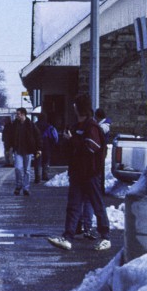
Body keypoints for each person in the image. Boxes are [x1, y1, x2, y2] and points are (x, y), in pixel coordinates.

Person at [48, 94, 110, 251]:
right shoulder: (77, 127)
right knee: (73, 206)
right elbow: (72, 150)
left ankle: (105, 237)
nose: (73, 107)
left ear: (79, 107)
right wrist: (67, 141)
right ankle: (68, 237)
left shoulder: (92, 126)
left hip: (90, 173)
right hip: (77, 173)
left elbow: (91, 147)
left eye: (75, 105)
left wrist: (72, 140)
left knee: (97, 205)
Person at [7, 107, 41, 196]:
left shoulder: (30, 124)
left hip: (28, 150)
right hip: (18, 150)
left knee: (27, 170)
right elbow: (10, 136)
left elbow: (37, 136)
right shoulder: (14, 124)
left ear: (23, 114)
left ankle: (26, 188)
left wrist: (38, 148)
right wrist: (9, 147)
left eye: (18, 114)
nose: (16, 115)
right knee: (18, 168)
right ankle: (18, 185)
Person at [38, 116, 58, 182]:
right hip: (47, 146)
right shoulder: (49, 126)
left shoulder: (35, 125)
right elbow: (55, 136)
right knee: (46, 160)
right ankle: (45, 175)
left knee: (37, 160)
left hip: (37, 146)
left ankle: (37, 176)